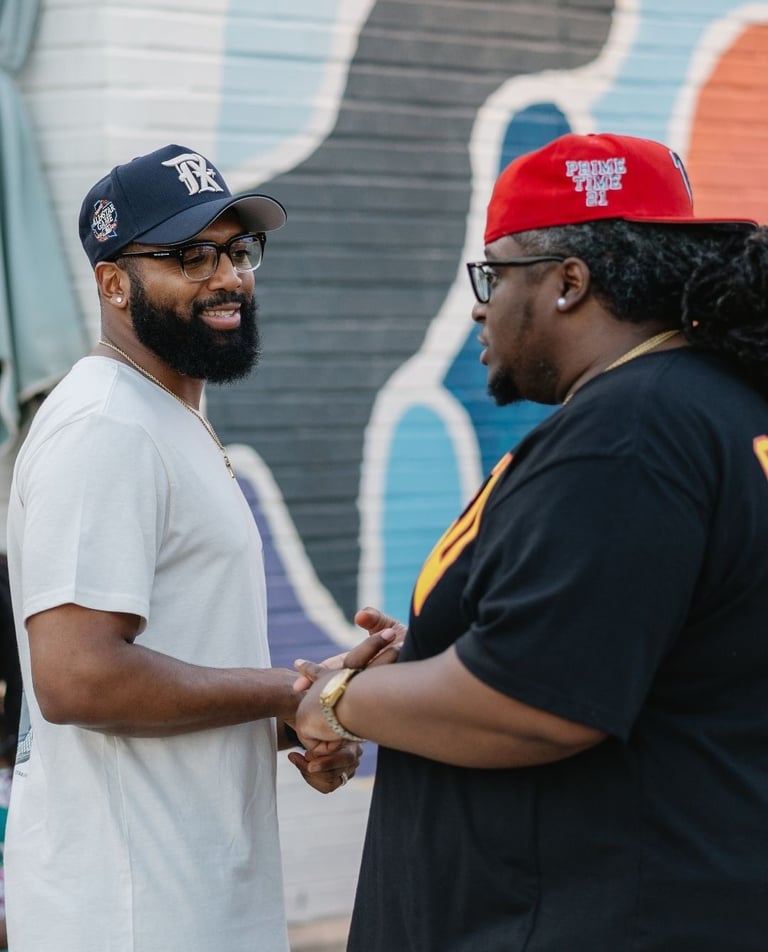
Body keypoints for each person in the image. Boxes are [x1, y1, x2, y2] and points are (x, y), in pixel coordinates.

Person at [294, 132, 768, 950]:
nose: (479, 306)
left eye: (492, 274)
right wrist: (437, 657)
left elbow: (534, 701)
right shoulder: (709, 406)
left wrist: (336, 704)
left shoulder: (632, 433)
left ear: (567, 282)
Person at [4, 144, 360, 952]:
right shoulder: (106, 427)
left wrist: (296, 718)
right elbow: (78, 679)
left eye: (238, 250)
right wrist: (289, 691)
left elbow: (171, 664)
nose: (229, 276)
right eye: (190, 256)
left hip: (186, 896)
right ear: (113, 283)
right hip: (128, 913)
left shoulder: (162, 415)